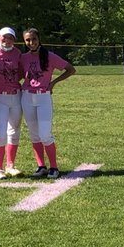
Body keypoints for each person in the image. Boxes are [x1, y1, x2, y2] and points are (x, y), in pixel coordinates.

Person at [19, 28, 75, 179]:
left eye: (34, 39)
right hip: (27, 97)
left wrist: (53, 83)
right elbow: (18, 75)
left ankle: (54, 167)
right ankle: (41, 166)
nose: (31, 42)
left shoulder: (49, 56)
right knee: (34, 134)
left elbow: (70, 69)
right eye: (28, 40)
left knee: (45, 134)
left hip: (43, 97)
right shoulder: (23, 58)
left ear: (39, 39)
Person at [0, 26, 24, 179]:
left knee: (14, 131)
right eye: (4, 37)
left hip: (15, 95)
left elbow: (21, 72)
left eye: (10, 38)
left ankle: (10, 165)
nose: (7, 40)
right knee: (1, 134)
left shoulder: (17, 53)